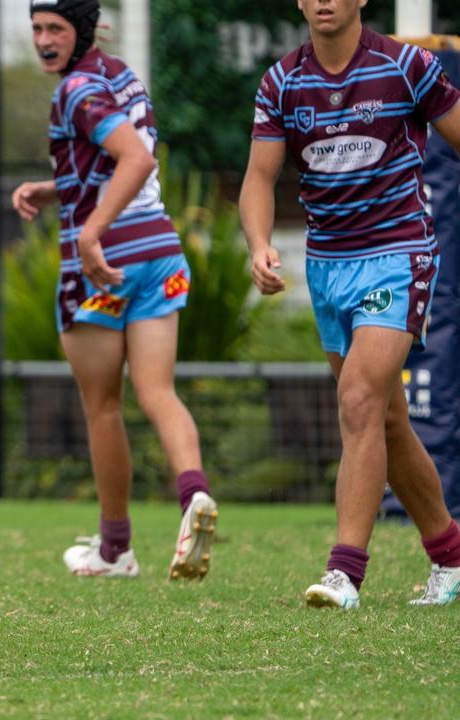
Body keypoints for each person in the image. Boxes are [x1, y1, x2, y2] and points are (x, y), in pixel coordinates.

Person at [241, 0, 460, 609]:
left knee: (358, 399)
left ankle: (344, 573)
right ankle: (452, 554)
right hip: (327, 268)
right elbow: (260, 177)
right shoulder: (282, 81)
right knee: (385, 420)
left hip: (399, 254)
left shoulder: (407, 66)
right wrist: (259, 245)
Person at [11, 0, 218, 581]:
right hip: (161, 253)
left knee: (103, 406)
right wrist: (56, 190)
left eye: (56, 28)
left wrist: (91, 231)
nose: (44, 40)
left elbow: (135, 155)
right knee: (157, 391)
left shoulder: (74, 89)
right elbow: (114, 166)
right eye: (37, 29)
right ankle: (194, 495)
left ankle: (115, 549)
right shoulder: (120, 75)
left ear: (84, 30)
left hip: (104, 265)